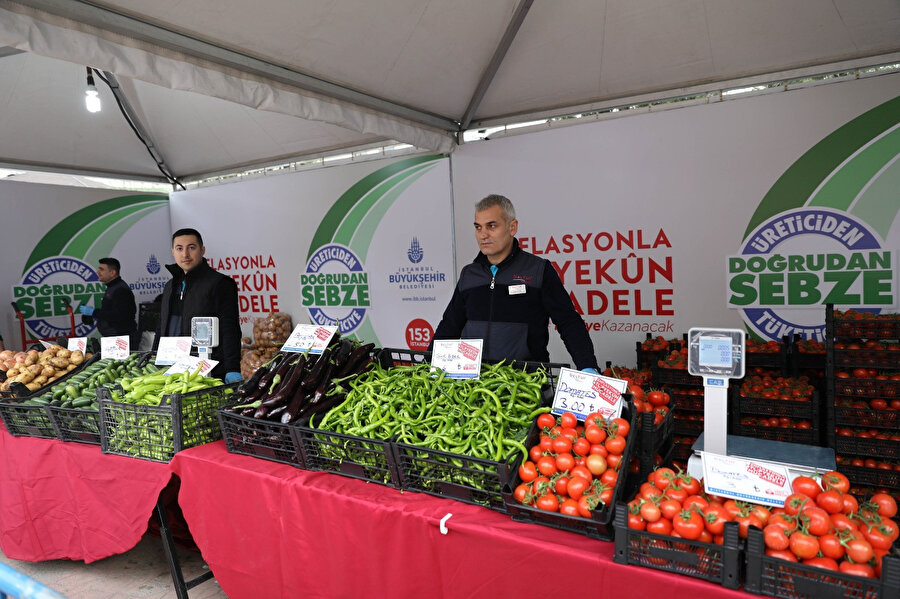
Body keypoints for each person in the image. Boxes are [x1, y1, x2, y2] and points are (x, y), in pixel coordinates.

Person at [432, 194, 600, 373]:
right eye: (478, 227)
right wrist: (428, 363)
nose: (483, 235)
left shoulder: (538, 270)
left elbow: (568, 321)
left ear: (512, 227)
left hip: (527, 384)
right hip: (475, 385)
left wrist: (587, 365)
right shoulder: (469, 274)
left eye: (492, 226)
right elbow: (450, 325)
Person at [153, 228, 242, 383]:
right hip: (171, 368)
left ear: (202, 250)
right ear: (173, 252)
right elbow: (162, 324)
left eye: (191, 248)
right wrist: (155, 354)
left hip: (207, 368)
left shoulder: (220, 283)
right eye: (179, 249)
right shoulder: (170, 286)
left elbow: (230, 328)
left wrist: (232, 368)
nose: (185, 254)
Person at [79, 257, 138, 345]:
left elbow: (120, 315)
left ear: (112, 273)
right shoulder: (113, 287)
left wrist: (94, 312)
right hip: (114, 337)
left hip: (121, 340)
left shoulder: (121, 290)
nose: (97, 272)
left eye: (101, 269)